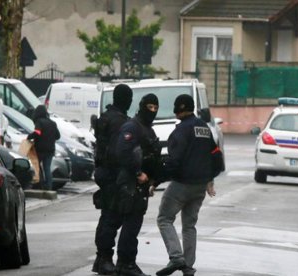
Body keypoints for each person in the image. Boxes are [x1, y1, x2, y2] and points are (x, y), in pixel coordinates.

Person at [150, 94, 219, 276]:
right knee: (189, 226)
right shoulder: (204, 128)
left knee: (164, 219)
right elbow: (215, 156)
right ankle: (187, 266)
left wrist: (156, 180)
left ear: (177, 109)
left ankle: (176, 258)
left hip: (182, 184)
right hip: (200, 186)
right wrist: (209, 180)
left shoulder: (180, 131)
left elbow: (174, 162)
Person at [113, 93, 162, 276]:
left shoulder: (147, 128)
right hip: (130, 182)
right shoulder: (132, 126)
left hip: (141, 184)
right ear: (142, 106)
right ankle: (125, 264)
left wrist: (153, 179)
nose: (153, 111)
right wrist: (138, 173)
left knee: (134, 224)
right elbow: (123, 152)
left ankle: (127, 263)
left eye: (156, 108)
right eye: (150, 107)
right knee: (131, 224)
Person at [91, 83, 133, 275]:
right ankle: (105, 258)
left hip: (103, 171)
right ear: (126, 99)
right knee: (112, 217)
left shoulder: (105, 117)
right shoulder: (119, 121)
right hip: (113, 174)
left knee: (107, 216)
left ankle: (101, 258)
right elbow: (120, 152)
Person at [27, 105, 60, 190]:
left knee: (37, 167)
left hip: (40, 149)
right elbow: (58, 136)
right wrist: (50, 137)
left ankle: (39, 184)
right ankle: (49, 186)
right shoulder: (53, 123)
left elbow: (37, 133)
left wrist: (29, 136)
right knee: (47, 168)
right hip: (50, 150)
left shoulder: (39, 122)